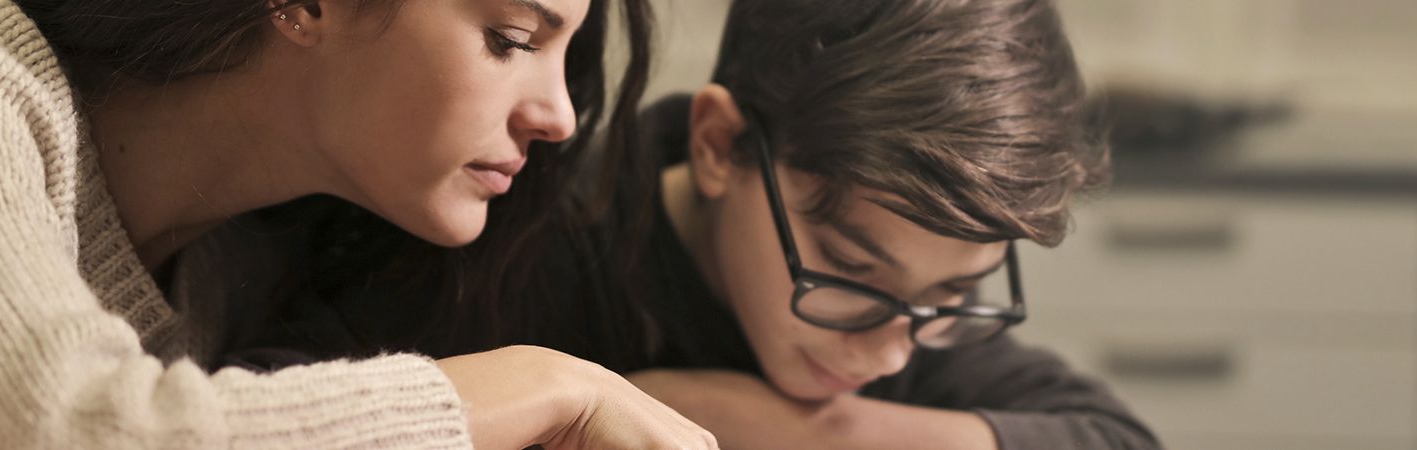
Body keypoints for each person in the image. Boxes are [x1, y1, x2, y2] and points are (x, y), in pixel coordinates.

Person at [213, 0, 1160, 448]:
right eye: (843, 270)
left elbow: (1113, 441)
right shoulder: (515, 238)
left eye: (953, 296)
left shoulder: (897, 320)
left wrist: (803, 431)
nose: (889, 354)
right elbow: (258, 407)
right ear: (717, 146)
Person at [0, 0, 718, 448]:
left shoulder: (256, 274)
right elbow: (40, 431)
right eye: (512, 38)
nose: (558, 113)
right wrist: (550, 388)